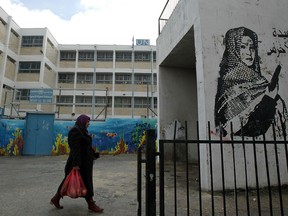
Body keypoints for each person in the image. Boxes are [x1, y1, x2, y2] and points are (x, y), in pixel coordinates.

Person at [214, 26, 287, 137]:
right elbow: (235, 131)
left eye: (252, 48)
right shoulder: (228, 87)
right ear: (234, 51)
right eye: (243, 47)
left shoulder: (262, 83)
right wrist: (268, 100)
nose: (249, 52)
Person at [50, 114, 103, 213]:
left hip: (84, 162)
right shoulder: (75, 131)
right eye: (87, 122)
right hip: (78, 163)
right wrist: (76, 164)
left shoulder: (81, 130)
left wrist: (93, 154)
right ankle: (91, 204)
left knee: (68, 181)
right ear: (82, 121)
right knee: (85, 182)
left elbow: (84, 146)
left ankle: (56, 198)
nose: (89, 124)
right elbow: (75, 149)